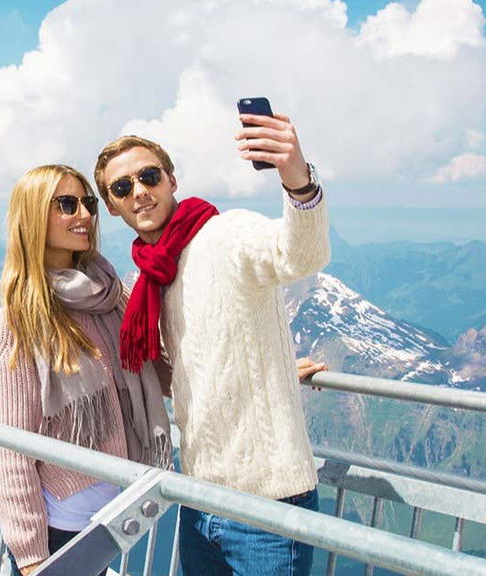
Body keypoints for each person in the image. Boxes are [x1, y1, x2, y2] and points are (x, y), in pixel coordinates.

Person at [92, 109, 330, 575]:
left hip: (269, 502)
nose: (139, 191)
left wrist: (298, 179)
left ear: (171, 180)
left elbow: (301, 254)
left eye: (149, 176)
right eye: (122, 188)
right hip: (199, 497)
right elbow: (181, 368)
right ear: (115, 207)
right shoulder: (153, 276)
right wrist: (270, 367)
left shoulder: (224, 234)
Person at [0, 165, 174, 576]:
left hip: (110, 517)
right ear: (34, 216)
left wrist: (268, 371)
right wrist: (32, 557)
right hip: (59, 530)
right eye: (66, 205)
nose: (85, 216)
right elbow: (9, 447)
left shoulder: (110, 295)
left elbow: (159, 368)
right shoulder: (20, 320)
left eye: (88, 203)